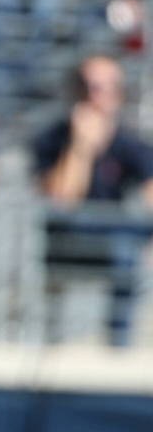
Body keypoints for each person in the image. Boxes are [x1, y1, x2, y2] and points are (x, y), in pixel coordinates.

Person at [33, 54, 153, 345]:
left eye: (102, 87)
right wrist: (80, 147)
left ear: (118, 94)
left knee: (128, 249)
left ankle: (117, 344)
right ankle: (53, 342)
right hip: (67, 235)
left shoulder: (130, 144)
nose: (93, 95)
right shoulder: (52, 139)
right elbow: (62, 199)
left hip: (114, 236)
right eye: (87, 86)